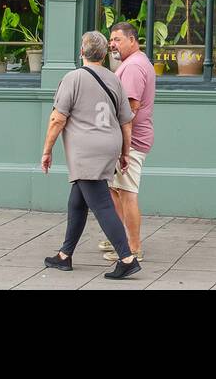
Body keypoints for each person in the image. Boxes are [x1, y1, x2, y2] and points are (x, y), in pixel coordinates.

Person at [40, 30, 141, 279]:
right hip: (110, 145)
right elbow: (126, 121)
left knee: (102, 204)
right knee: (77, 201)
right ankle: (65, 255)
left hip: (86, 151)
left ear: (81, 52)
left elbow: (57, 119)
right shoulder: (114, 79)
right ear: (104, 54)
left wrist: (47, 150)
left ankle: (127, 258)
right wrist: (125, 153)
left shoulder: (73, 78)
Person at [102, 21, 155, 262]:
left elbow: (130, 108)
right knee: (116, 190)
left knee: (127, 192)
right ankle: (118, 238)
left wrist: (124, 146)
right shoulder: (134, 62)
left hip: (131, 142)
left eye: (117, 39)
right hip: (129, 140)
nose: (112, 44)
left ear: (132, 40)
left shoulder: (133, 66)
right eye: (111, 40)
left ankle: (133, 249)